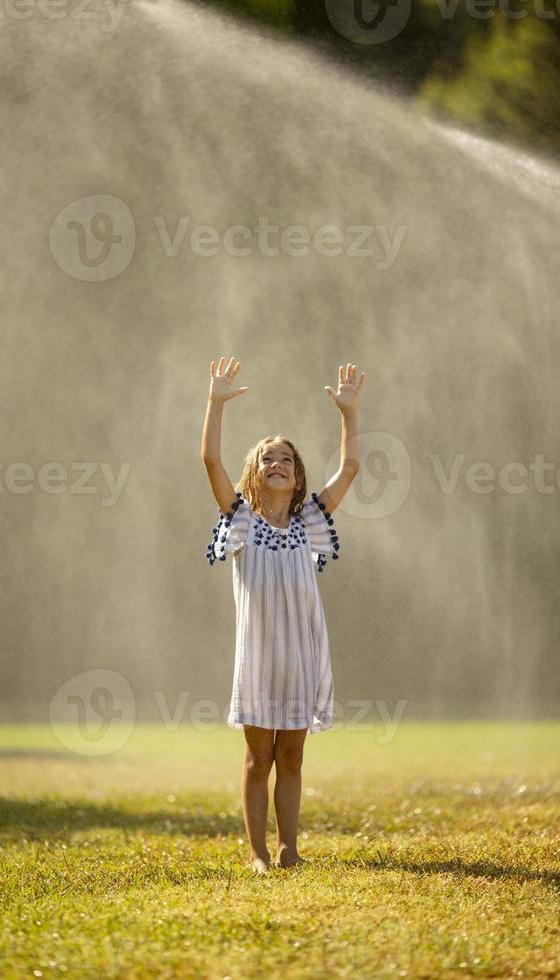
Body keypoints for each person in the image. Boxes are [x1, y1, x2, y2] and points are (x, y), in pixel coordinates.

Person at [200, 356, 365, 874]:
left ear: (297, 482)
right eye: (268, 459)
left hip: (300, 655)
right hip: (258, 658)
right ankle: (257, 852)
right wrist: (215, 401)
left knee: (291, 758)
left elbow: (352, 468)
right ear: (254, 475)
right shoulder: (241, 520)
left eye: (287, 461)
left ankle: (290, 848)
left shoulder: (312, 519)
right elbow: (209, 459)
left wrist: (348, 413)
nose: (278, 464)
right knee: (258, 759)